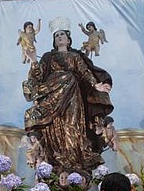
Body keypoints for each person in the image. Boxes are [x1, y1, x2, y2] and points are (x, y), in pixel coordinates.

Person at [23, 17, 114, 181]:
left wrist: (96, 86)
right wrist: (34, 60)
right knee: (55, 129)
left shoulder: (75, 56)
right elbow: (38, 76)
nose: (59, 37)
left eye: (62, 34)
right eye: (56, 35)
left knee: (72, 128)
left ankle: (76, 167)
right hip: (53, 97)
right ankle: (59, 166)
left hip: (73, 97)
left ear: (68, 38)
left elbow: (85, 73)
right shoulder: (48, 57)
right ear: (54, 40)